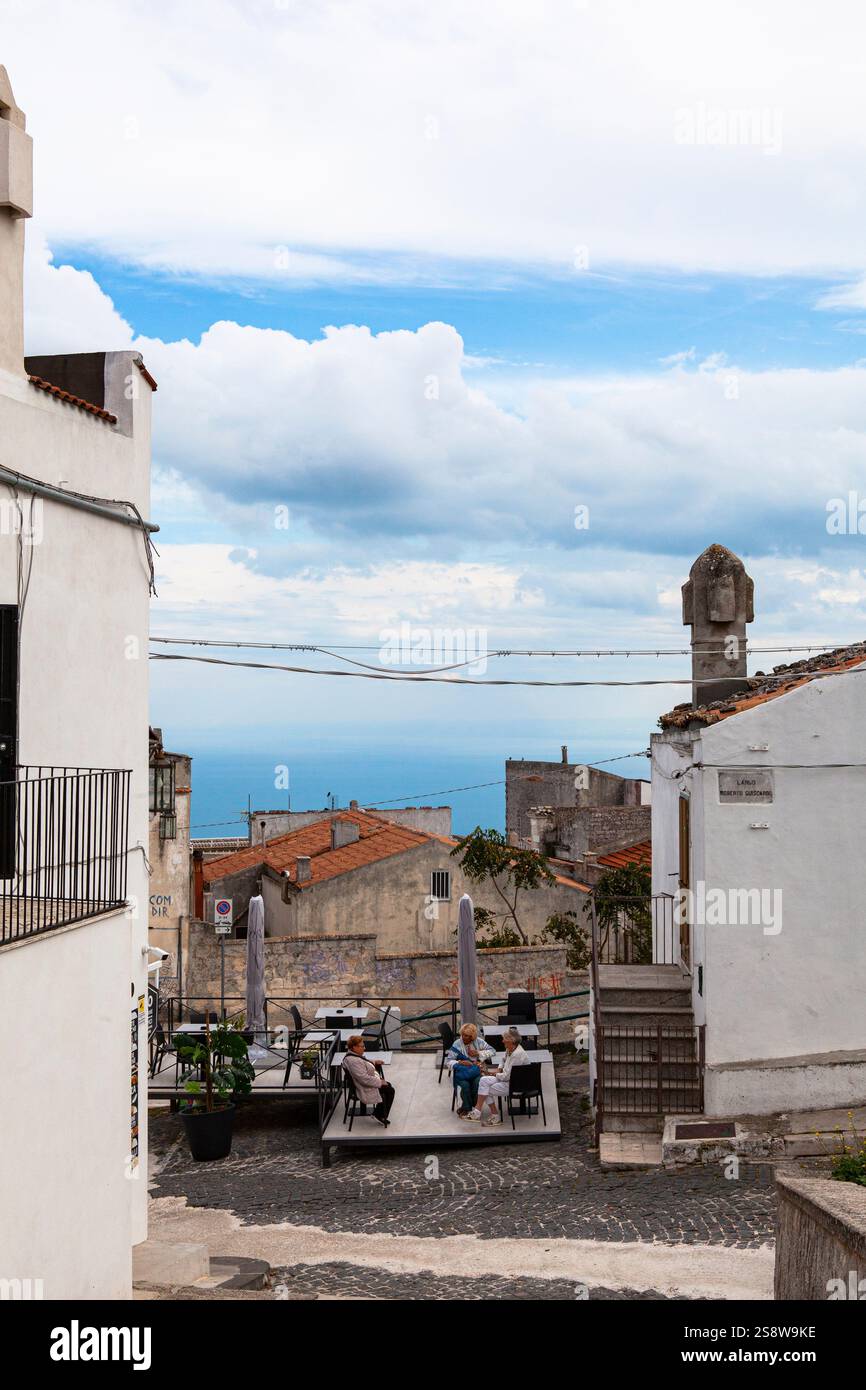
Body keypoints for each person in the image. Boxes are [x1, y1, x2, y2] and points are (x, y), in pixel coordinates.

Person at [475, 1026, 528, 1125]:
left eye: (504, 1039)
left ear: (511, 1041)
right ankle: (481, 1113)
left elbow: (506, 1076)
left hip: (514, 1084)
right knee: (483, 1081)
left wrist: (493, 1073)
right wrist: (499, 1068)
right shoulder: (510, 1049)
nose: (503, 1041)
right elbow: (503, 1060)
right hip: (507, 1080)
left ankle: (493, 1116)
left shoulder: (517, 1055)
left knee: (485, 1089)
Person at [341, 1035, 395, 1126]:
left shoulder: (352, 1056)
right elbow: (363, 1079)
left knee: (388, 1086)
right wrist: (379, 1082)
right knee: (390, 1090)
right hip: (362, 1087)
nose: (364, 1048)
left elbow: (362, 1064)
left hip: (361, 1084)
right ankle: (379, 1115)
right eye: (362, 1046)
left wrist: (373, 1062)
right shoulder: (353, 1061)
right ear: (354, 1047)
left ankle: (378, 1113)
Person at [446, 1022, 494, 1120]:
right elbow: (449, 1061)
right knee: (465, 1085)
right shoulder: (457, 1044)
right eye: (463, 1035)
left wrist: (478, 1053)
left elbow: (492, 1051)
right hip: (462, 1073)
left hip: (476, 1071)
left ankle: (475, 1107)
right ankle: (466, 1108)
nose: (464, 1037)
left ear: (472, 1037)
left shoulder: (479, 1042)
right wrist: (459, 1062)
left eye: (467, 1036)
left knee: (478, 1083)